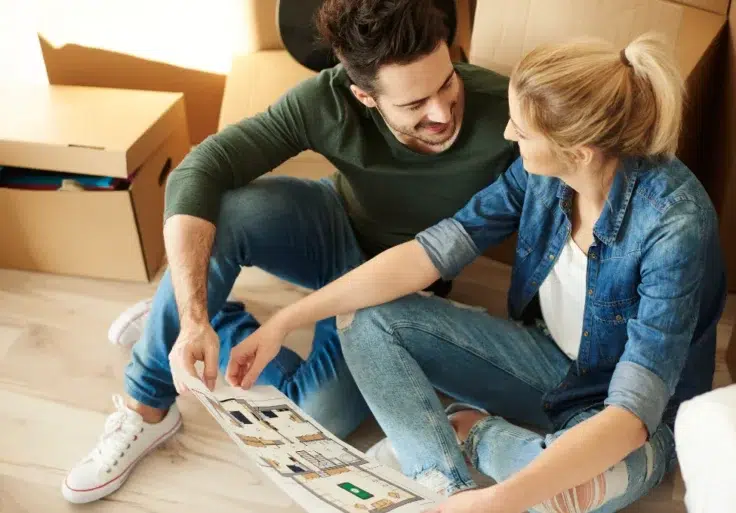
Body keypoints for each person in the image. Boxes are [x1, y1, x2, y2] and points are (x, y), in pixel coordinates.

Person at [221, 33, 727, 512]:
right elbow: (428, 254)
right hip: (549, 363)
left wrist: (501, 499)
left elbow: (633, 414)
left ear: (578, 153)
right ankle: (443, 485)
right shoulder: (540, 174)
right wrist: (288, 319)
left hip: (636, 416)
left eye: (521, 130)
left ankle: (469, 433)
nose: (508, 134)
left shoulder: (674, 225)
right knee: (365, 318)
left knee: (564, 497)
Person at [61, 0, 518, 504]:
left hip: (401, 281)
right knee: (229, 213)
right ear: (364, 96)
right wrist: (193, 317)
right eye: (413, 105)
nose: (442, 112)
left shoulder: (505, 109)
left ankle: (174, 319)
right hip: (331, 226)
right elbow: (200, 168)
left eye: (447, 83)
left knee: (319, 415)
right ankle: (149, 397)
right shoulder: (326, 101)